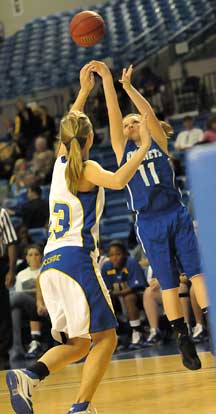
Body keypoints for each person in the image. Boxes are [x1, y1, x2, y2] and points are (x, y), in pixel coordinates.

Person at [6, 63, 152, 414]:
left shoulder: (59, 164)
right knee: (107, 338)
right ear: (89, 140)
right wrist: (143, 147)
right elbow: (118, 181)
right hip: (75, 259)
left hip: (51, 264)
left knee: (80, 342)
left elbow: (71, 122)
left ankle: (29, 375)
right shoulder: (86, 168)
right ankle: (81, 407)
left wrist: (85, 91)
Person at [93, 61, 208, 371]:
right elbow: (113, 112)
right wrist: (108, 80)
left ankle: (209, 327)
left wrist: (129, 88)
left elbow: (145, 113)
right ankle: (183, 338)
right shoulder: (121, 151)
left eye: (135, 122)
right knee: (168, 283)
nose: (130, 125)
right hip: (149, 221)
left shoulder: (157, 139)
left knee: (197, 273)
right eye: (127, 124)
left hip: (176, 213)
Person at [102, 240, 148, 347]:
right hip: (117, 299)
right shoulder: (106, 267)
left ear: (124, 254)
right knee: (105, 301)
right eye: (111, 255)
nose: (115, 257)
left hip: (138, 297)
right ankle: (113, 335)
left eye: (118, 254)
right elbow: (106, 289)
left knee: (128, 297)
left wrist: (115, 294)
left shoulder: (131, 263)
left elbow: (135, 287)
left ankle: (138, 332)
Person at [10, 244, 44, 360]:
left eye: (36, 254)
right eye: (30, 255)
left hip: (42, 306)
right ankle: (17, 347)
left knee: (16, 297)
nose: (34, 257)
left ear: (41, 256)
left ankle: (18, 347)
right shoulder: (21, 274)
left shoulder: (45, 271)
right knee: (16, 310)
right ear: (26, 258)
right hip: (27, 307)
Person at [0, 207, 17, 370]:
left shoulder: (2, 213)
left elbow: (11, 242)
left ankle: (3, 354)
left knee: (2, 313)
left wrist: (11, 270)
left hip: (0, 265)